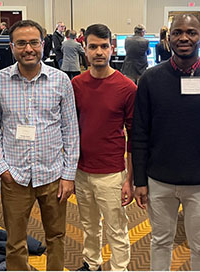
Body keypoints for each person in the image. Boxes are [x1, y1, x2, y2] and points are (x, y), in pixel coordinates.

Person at [132, 14, 200, 271]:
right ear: (168, 38)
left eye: (191, 32)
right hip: (159, 182)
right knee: (160, 241)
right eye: (177, 32)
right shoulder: (150, 79)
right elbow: (139, 134)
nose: (184, 37)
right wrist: (139, 180)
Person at [0, 19, 80, 271]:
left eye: (34, 42)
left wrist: (69, 175)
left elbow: (71, 131)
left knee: (57, 237)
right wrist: (1, 168)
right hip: (14, 177)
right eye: (21, 43)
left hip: (53, 175)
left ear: (43, 44)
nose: (28, 48)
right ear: (11, 47)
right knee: (15, 241)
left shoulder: (61, 81)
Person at [72, 24, 137, 271]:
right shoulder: (76, 84)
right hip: (81, 170)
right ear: (85, 50)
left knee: (116, 228)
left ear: (112, 48)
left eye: (103, 46)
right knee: (88, 225)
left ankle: (119, 268)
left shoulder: (127, 87)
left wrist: (130, 178)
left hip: (111, 173)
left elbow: (134, 137)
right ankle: (92, 263)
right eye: (93, 47)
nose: (98, 51)